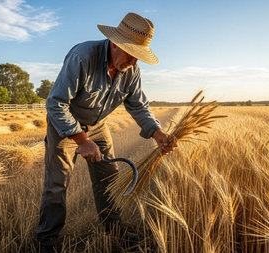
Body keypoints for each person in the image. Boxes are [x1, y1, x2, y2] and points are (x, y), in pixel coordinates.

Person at [36, 12, 176, 252]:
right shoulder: (83, 56)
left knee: (108, 179)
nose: (133, 62)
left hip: (98, 126)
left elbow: (138, 105)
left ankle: (115, 229)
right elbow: (56, 103)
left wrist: (157, 133)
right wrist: (81, 139)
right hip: (65, 124)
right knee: (57, 185)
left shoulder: (131, 70)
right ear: (115, 43)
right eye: (132, 55)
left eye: (138, 58)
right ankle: (47, 241)